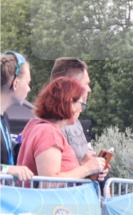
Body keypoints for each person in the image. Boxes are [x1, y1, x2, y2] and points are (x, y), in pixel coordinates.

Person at [17, 77, 106, 179]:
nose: (81, 110)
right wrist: (87, 168)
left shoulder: (37, 126)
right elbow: (50, 182)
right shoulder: (49, 133)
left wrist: (83, 165)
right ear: (70, 103)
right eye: (81, 104)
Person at [49, 57, 95, 163]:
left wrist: (95, 167)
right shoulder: (51, 126)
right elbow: (53, 174)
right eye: (86, 83)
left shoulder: (75, 121)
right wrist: (86, 167)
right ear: (72, 85)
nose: (89, 89)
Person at [0, 51, 36, 182]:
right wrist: (8, 169)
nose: (29, 89)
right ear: (15, 84)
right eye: (28, 83)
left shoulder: (4, 119)